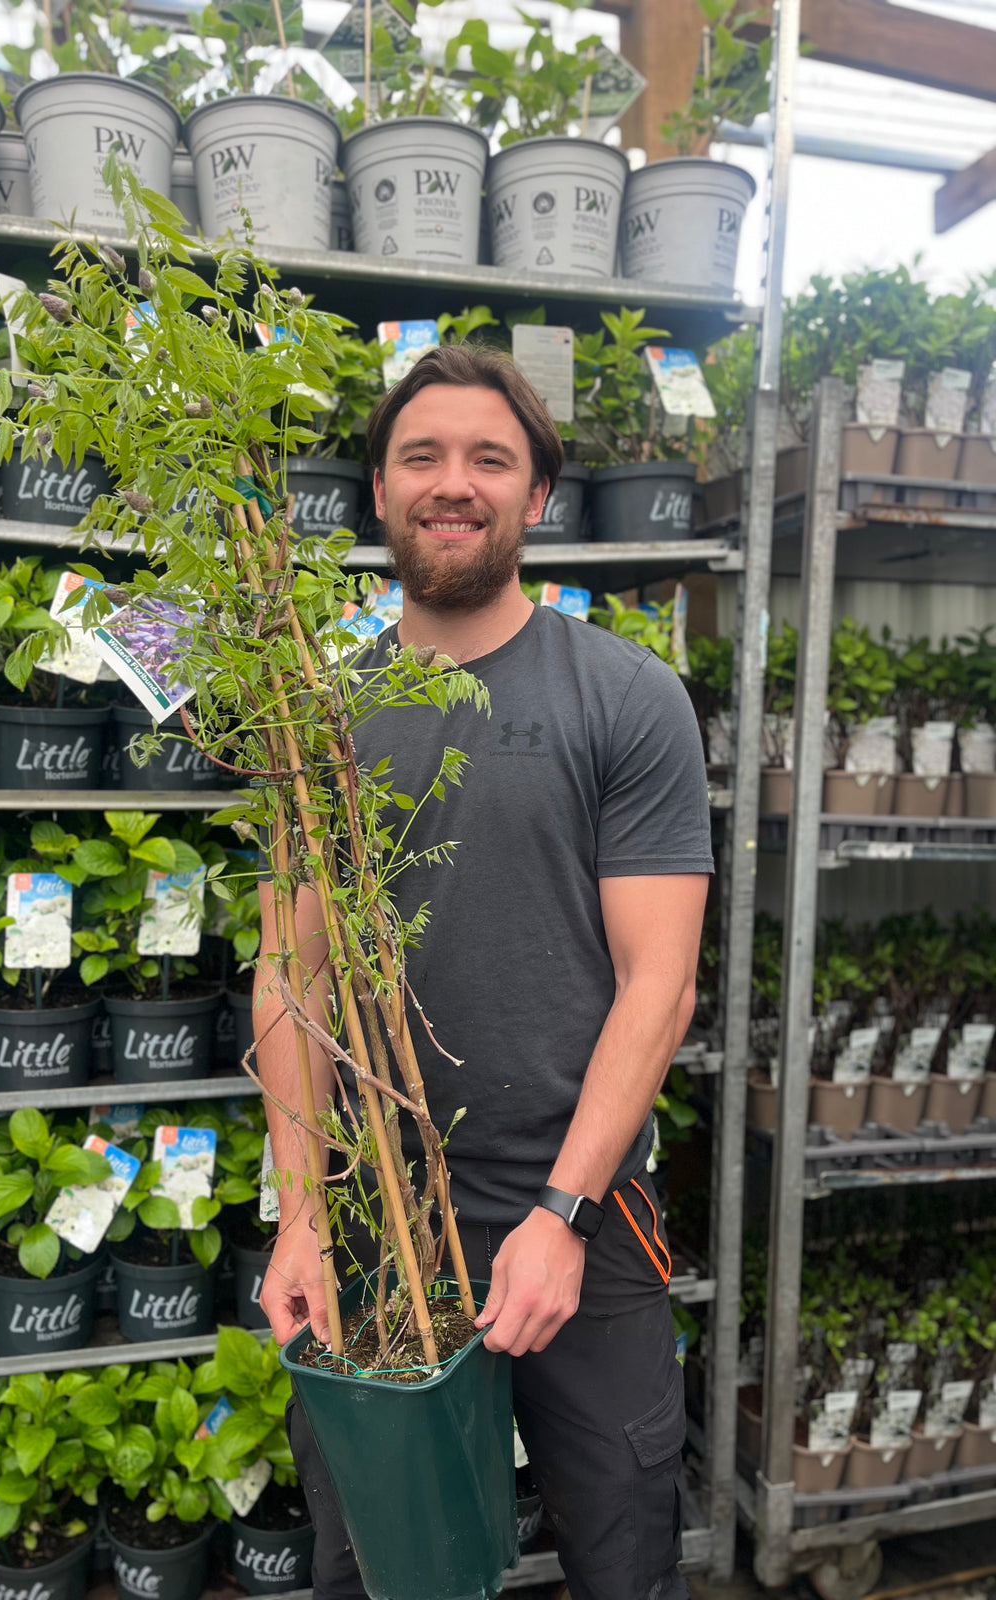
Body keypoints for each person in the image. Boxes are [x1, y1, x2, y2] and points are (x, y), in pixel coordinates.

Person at [253, 342, 712, 1600]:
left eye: (488, 459)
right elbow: (287, 977)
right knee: (380, 1566)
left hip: (588, 1214)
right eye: (423, 457)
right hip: (376, 1215)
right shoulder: (319, 717)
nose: (453, 483)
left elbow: (659, 980)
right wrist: (300, 1214)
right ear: (381, 490)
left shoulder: (626, 697)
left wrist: (560, 1216)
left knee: (622, 1544)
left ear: (538, 497)